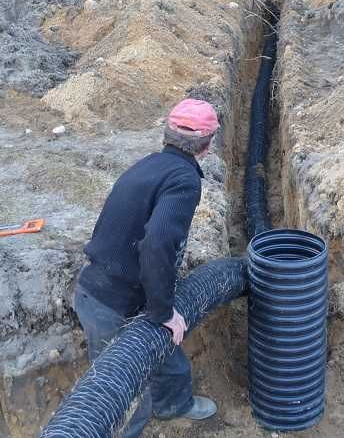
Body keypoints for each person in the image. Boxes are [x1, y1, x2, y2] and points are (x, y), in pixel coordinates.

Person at [73, 98, 220, 438]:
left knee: (166, 350)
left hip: (122, 287)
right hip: (108, 301)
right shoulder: (184, 180)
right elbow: (156, 244)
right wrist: (163, 311)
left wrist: (159, 309)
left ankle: (174, 405)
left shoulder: (151, 164)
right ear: (208, 145)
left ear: (167, 136)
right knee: (126, 396)